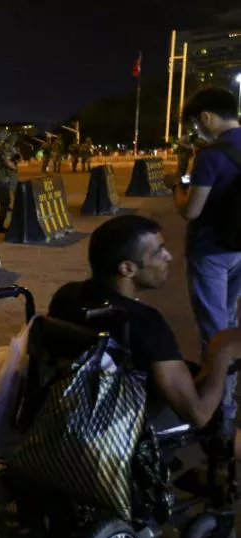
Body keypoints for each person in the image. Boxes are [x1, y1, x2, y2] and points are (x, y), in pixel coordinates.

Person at [48, 215, 241, 460]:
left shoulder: (67, 296)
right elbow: (198, 415)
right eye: (158, 252)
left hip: (72, 411)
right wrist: (221, 352)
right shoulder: (144, 323)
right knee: (216, 420)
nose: (168, 256)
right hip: (119, 429)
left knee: (191, 375)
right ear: (127, 268)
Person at [173, 86, 241, 421]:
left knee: (214, 334)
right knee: (230, 321)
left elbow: (191, 211)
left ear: (206, 117)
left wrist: (178, 187)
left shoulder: (211, 155)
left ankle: (219, 411)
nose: (197, 131)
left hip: (210, 252)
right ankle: (229, 398)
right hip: (239, 249)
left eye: (196, 125)